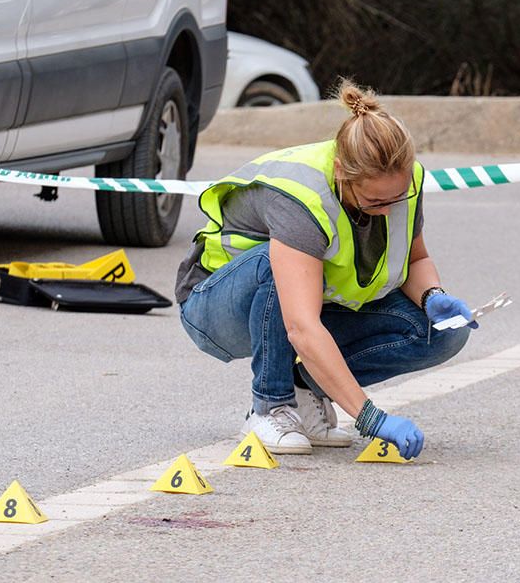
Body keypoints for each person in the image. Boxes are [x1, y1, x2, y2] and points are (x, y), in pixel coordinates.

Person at [175, 80, 474, 458]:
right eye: (375, 200)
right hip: (216, 307)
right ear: (341, 172)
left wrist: (435, 297)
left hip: (310, 304)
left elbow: (416, 259)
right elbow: (301, 325)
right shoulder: (302, 196)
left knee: (443, 333)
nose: (389, 207)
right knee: (275, 263)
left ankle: (304, 391)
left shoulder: (403, 181)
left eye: (398, 197)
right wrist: (370, 418)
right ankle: (270, 405)